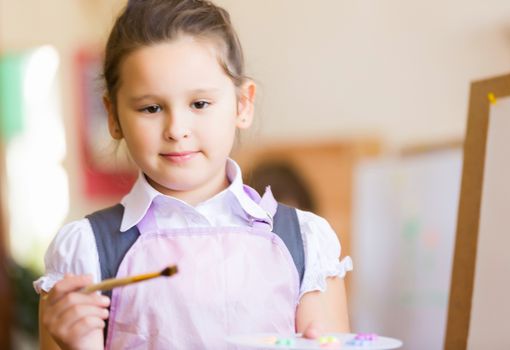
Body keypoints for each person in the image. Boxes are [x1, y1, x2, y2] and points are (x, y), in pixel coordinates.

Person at [34, 0, 353, 348]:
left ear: (242, 104)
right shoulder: (85, 253)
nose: (177, 129)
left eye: (199, 104)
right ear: (113, 116)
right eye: (151, 108)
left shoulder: (306, 242)